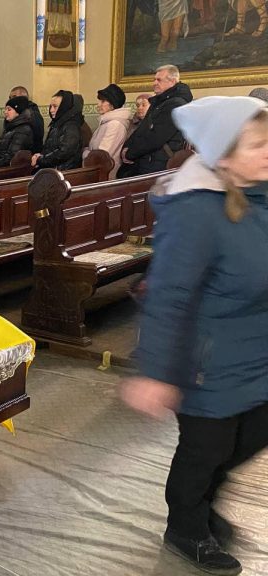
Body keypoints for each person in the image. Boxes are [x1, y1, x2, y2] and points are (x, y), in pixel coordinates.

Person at [121, 96, 268, 576]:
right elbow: (170, 293)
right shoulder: (197, 210)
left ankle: (203, 503)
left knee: (252, 436)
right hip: (209, 362)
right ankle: (186, 525)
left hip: (257, 350)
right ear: (224, 154)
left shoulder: (261, 194)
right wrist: (155, 372)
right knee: (207, 450)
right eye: (257, 144)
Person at [119, 65, 193, 177]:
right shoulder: (159, 102)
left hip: (158, 166)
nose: (154, 83)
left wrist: (130, 153)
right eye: (154, 79)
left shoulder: (175, 104)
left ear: (172, 81)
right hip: (149, 161)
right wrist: (126, 148)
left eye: (159, 80)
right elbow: (142, 129)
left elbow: (156, 137)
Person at [83, 84, 133, 178]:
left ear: (113, 104)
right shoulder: (108, 122)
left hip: (107, 174)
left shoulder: (115, 124)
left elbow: (102, 156)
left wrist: (85, 153)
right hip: (99, 172)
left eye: (103, 101)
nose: (98, 105)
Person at [31, 90, 83, 171]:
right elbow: (50, 148)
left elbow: (64, 152)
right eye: (51, 106)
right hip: (53, 170)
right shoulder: (58, 123)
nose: (51, 110)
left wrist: (41, 159)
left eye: (55, 106)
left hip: (63, 172)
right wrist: (40, 156)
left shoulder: (71, 126)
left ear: (64, 107)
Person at [0, 96, 34, 168]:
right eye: (5, 109)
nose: (5, 112)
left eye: (9, 109)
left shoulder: (23, 130)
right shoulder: (10, 127)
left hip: (7, 170)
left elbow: (12, 156)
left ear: (18, 112)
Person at [9, 85, 44, 153]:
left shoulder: (32, 114)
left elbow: (36, 137)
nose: (10, 101)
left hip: (28, 154)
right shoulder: (19, 112)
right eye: (10, 98)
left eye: (13, 97)